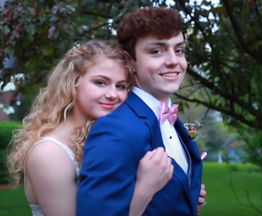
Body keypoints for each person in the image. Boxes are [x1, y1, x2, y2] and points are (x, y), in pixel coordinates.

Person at [6, 40, 175, 216]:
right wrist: (145, 189)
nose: (112, 95)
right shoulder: (50, 153)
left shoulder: (106, 140)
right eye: (101, 82)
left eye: (121, 86)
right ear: (72, 83)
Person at [77, 7, 204, 216]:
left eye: (179, 50)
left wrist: (187, 194)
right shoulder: (115, 129)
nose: (174, 60)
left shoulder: (171, 121)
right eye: (157, 51)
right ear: (130, 61)